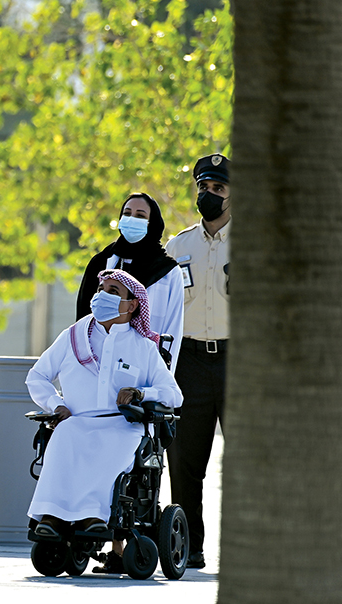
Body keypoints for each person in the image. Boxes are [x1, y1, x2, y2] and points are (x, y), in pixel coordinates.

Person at [26, 270, 182, 569]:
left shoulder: (144, 347)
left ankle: (94, 517)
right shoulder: (73, 336)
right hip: (76, 420)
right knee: (64, 436)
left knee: (113, 442)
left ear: (132, 305)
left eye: (113, 291)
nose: (102, 295)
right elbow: (38, 376)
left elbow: (173, 395)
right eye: (101, 288)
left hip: (122, 423)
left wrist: (141, 391)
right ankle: (51, 518)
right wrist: (56, 405)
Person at [163, 153, 231, 570]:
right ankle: (189, 547)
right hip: (189, 361)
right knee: (185, 461)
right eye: (203, 188)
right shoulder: (178, 246)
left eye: (218, 189)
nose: (209, 195)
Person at [76, 193, 184, 369]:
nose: (132, 219)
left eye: (140, 216)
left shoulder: (169, 272)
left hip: (145, 367)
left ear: (152, 223)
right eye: (127, 214)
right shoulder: (102, 262)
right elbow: (82, 319)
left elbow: (173, 331)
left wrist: (161, 384)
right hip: (99, 363)